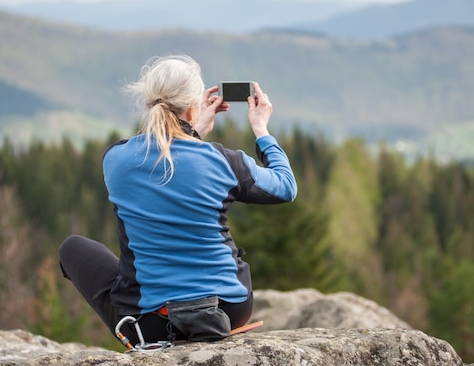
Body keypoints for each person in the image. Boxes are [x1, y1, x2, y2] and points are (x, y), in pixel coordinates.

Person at [58, 54, 297, 347]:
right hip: (228, 310)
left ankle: (132, 327)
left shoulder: (115, 160)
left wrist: (193, 133)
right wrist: (261, 130)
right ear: (193, 108)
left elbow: (169, 164)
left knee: (73, 248)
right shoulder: (223, 161)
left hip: (151, 324)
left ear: (148, 103)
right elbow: (286, 186)